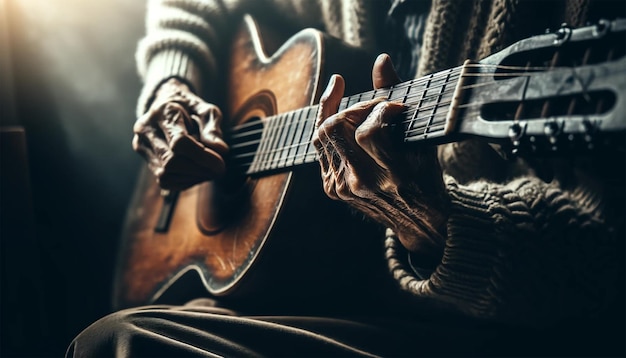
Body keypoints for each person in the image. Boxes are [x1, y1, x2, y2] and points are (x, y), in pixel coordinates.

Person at [67, 0, 625, 356]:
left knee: (121, 343)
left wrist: (439, 223)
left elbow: (602, 260)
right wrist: (171, 85)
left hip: (475, 322)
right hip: (311, 282)